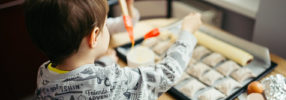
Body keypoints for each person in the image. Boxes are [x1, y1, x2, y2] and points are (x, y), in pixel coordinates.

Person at [25, 0, 202, 99]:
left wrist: (104, 62)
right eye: (105, 25)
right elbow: (166, 74)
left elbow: (77, 82)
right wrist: (186, 33)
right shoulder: (113, 81)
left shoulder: (43, 73)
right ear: (94, 36)